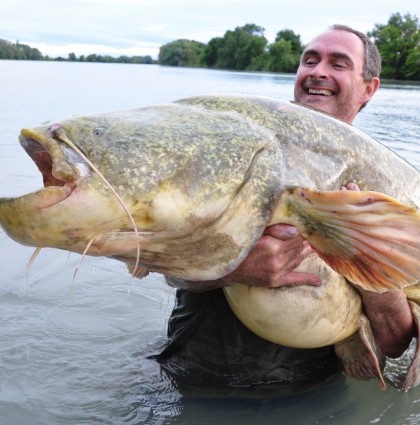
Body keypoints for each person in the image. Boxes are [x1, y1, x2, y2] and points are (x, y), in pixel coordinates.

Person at [154, 24, 415, 397]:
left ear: (368, 89)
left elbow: (395, 343)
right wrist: (238, 269)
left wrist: (370, 271)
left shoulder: (390, 189)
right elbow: (164, 262)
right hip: (188, 377)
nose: (318, 71)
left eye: (338, 63)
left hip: (308, 393)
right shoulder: (239, 146)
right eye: (310, 60)